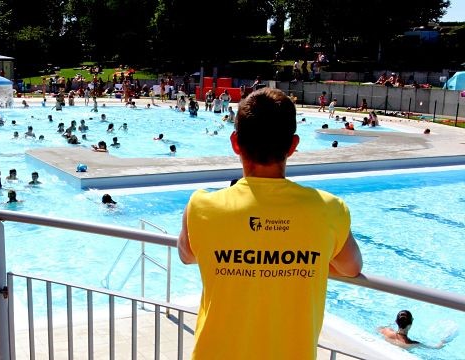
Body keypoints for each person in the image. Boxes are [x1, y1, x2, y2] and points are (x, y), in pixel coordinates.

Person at [177, 88, 363, 359]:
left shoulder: (202, 206)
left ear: (235, 143)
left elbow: (187, 255)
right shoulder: (328, 209)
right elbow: (350, 267)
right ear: (293, 145)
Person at [378, 310, 446, 349]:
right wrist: (444, 340)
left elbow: (378, 328)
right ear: (410, 325)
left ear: (396, 322)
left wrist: (390, 325)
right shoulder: (412, 344)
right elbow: (437, 347)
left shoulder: (385, 331)